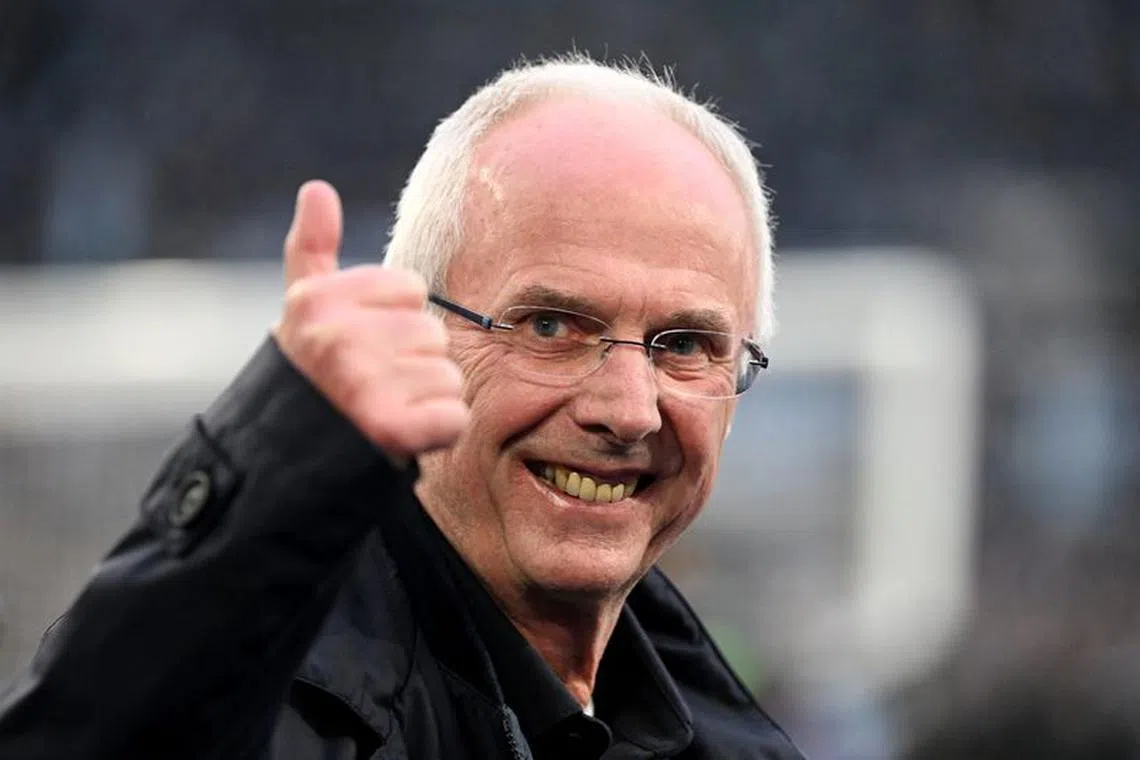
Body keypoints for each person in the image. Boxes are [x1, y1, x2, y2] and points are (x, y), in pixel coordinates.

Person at [0, 55, 802, 759]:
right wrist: (278, 446)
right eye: (551, 325)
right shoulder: (263, 704)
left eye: (686, 344)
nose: (629, 410)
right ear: (415, 328)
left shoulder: (722, 734)